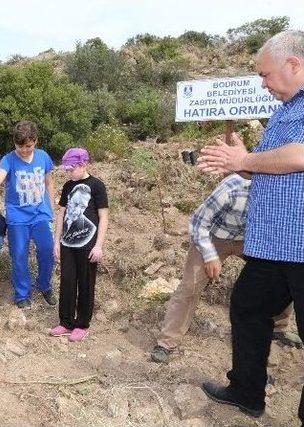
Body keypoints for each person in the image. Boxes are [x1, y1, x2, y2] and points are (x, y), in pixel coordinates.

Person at [197, 30, 304, 420]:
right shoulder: (286, 109)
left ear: (294, 65)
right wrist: (237, 162)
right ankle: (246, 391)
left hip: (301, 242)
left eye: (266, 74)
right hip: (276, 244)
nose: (262, 83)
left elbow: (298, 156)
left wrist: (245, 160)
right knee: (247, 307)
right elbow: (271, 167)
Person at [150, 174, 298, 364]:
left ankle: (278, 327)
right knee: (191, 285)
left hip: (248, 239)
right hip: (214, 236)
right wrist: (210, 256)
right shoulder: (232, 189)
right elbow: (197, 223)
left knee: (284, 271)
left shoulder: (285, 194)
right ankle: (166, 342)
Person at [0, 120, 56, 309]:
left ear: (35, 141)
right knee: (19, 254)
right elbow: (0, 175)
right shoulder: (9, 159)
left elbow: (49, 183)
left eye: (28, 146)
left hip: (40, 214)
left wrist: (51, 208)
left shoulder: (43, 157)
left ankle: (44, 285)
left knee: (47, 250)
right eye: (19, 146)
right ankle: (22, 293)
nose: (24, 150)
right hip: (17, 216)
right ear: (14, 143)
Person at [51, 148, 108, 343]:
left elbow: (104, 216)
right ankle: (66, 322)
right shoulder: (68, 186)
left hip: (88, 245)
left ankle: (82, 324)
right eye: (66, 170)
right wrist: (56, 241)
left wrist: (99, 245)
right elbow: (61, 214)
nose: (68, 173)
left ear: (83, 164)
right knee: (67, 281)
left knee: (85, 283)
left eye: (71, 169)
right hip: (67, 243)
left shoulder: (97, 186)